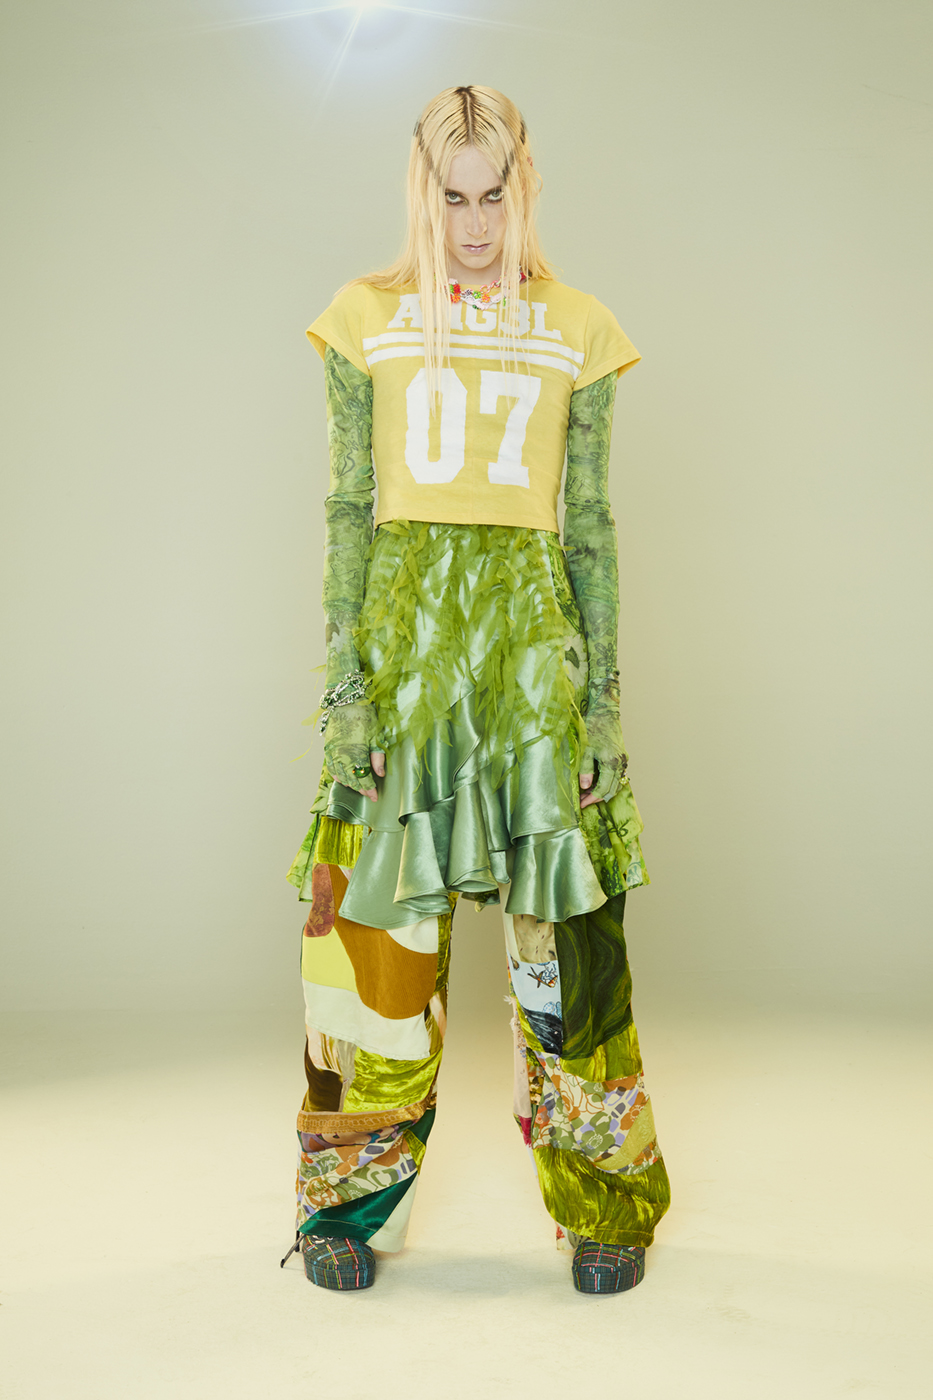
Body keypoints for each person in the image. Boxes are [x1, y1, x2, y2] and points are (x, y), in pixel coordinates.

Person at [283, 85, 671, 1295]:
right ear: (423, 194)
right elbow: (348, 510)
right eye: (451, 198)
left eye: (493, 194)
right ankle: (346, 1200)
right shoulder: (368, 319)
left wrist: (603, 704)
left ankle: (604, 1195)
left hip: (530, 665)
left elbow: (589, 524)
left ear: (522, 188)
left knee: (566, 951)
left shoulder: (577, 326)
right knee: (376, 949)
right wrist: (347, 692)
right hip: (406, 662)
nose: (473, 224)